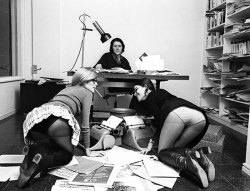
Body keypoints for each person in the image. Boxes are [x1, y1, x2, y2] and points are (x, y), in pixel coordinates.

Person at [18, 68, 103, 188]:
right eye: (94, 80)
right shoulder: (88, 92)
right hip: (58, 118)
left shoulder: (66, 88)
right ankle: (42, 162)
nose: (96, 83)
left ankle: (31, 152)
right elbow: (85, 125)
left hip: (37, 116)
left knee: (52, 144)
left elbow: (52, 104)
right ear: (84, 81)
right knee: (66, 155)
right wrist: (88, 150)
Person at [132, 78, 215, 188]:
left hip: (177, 113)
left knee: (163, 153)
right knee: (174, 149)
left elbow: (160, 120)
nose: (135, 93)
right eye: (133, 91)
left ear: (146, 87)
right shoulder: (162, 93)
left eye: (137, 89)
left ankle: (190, 165)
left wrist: (151, 144)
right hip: (199, 117)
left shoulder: (151, 96)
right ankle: (201, 157)